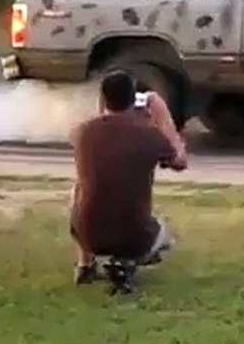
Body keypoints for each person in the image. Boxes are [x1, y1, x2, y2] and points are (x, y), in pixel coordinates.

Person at [68, 70, 187, 285]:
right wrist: (162, 116)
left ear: (103, 98)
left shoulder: (83, 132)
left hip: (87, 235)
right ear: (134, 98)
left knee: (80, 187)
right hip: (134, 238)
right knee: (165, 237)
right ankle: (124, 264)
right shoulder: (149, 136)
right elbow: (180, 162)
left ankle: (85, 263)